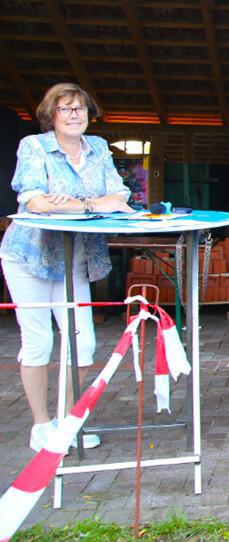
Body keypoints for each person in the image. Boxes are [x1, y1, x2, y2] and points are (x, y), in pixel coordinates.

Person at [1, 83, 134, 451]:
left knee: (84, 344)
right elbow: (35, 202)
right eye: (66, 109)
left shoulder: (99, 148)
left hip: (75, 259)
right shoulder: (34, 147)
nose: (75, 115)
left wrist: (73, 203)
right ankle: (41, 426)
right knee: (39, 342)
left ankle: (66, 420)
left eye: (81, 109)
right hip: (29, 258)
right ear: (51, 115)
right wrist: (92, 204)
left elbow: (120, 195)